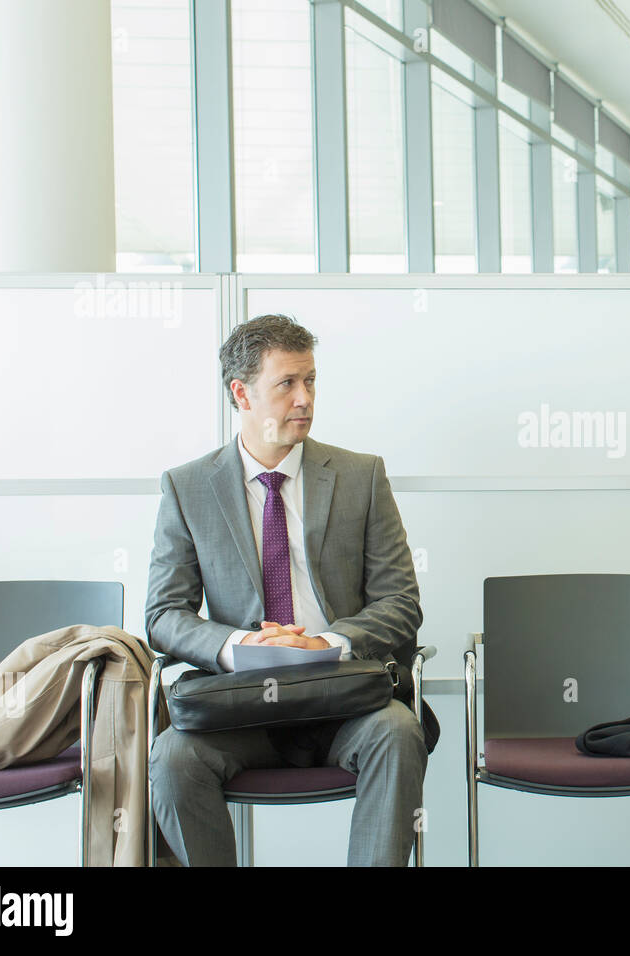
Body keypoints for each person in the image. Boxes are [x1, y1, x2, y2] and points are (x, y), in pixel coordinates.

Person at [145, 313, 427, 866]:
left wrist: (327, 645)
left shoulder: (360, 476)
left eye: (311, 381)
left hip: (345, 700)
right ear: (241, 393)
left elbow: (401, 602)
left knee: (398, 733)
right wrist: (237, 648)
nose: (305, 398)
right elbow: (163, 614)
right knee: (173, 759)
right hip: (239, 708)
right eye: (287, 384)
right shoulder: (188, 487)